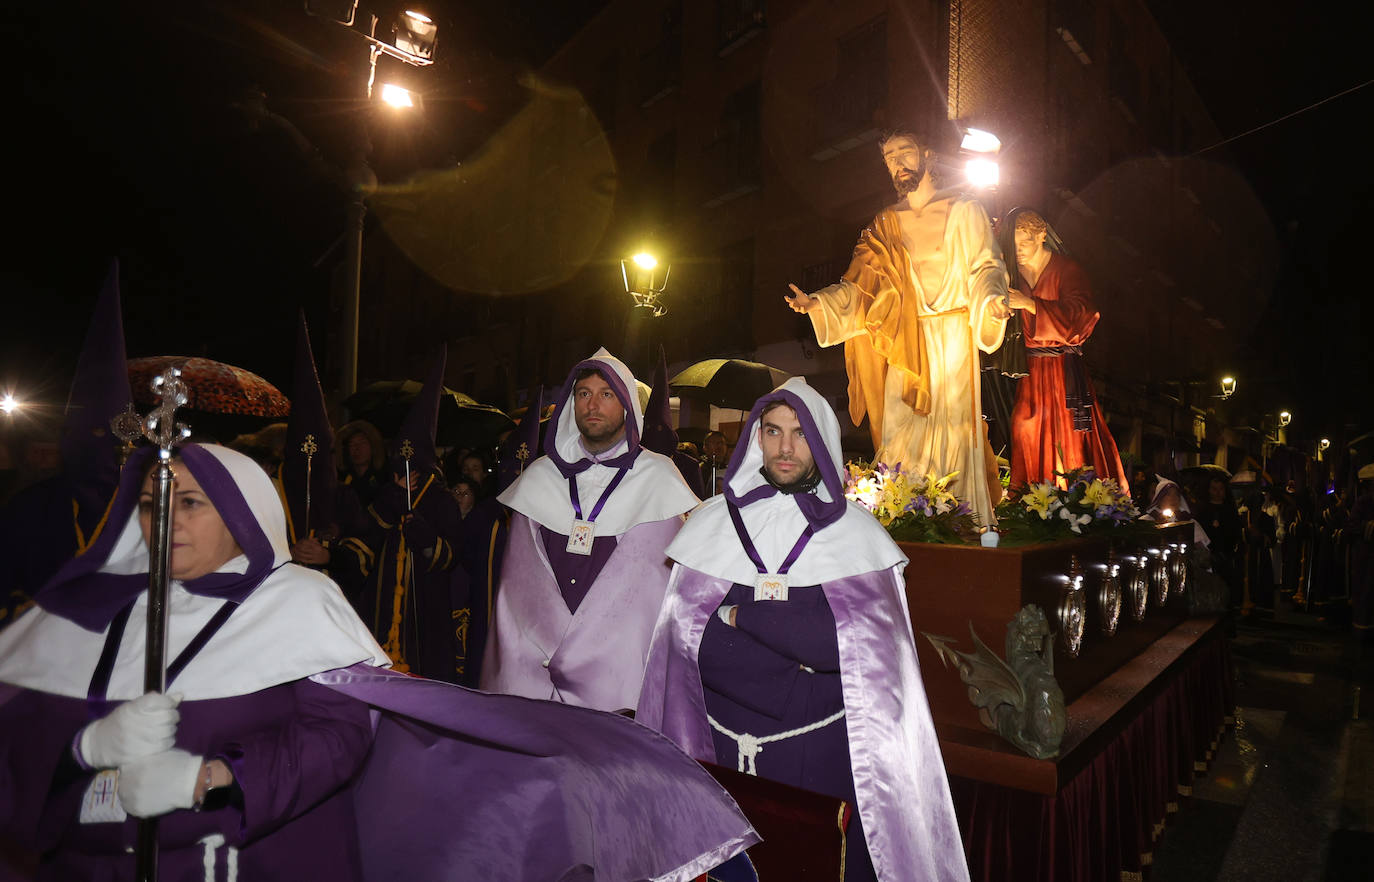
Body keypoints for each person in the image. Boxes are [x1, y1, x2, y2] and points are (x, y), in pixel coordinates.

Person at [0, 443, 759, 880]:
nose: (166, 518)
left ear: (241, 514)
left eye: (192, 501)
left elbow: (339, 735)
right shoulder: (84, 617)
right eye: (153, 501)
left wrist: (213, 778)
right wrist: (82, 752)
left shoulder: (297, 602)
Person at [637, 377, 969, 882]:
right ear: (756, 438)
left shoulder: (857, 535)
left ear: (821, 442)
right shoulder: (712, 525)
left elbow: (844, 649)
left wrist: (741, 615)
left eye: (799, 433)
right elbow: (692, 645)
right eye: (773, 431)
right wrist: (797, 662)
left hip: (818, 761)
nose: (785, 447)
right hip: (721, 757)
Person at [786, 129, 1011, 526]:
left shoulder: (965, 208)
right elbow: (861, 288)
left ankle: (957, 518)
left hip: (953, 334)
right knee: (899, 433)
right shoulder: (886, 223)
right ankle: (902, 515)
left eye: (904, 152)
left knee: (954, 430)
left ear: (927, 154)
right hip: (903, 342)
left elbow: (985, 266)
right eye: (889, 158)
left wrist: (992, 300)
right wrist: (818, 303)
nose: (897, 163)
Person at [481, 348, 699, 711]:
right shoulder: (540, 477)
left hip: (618, 676)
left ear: (627, 405)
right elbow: (517, 592)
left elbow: (659, 598)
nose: (592, 404)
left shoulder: (658, 479)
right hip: (539, 672)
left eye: (606, 394)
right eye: (584, 394)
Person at [1001, 209, 1127, 491]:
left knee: (1067, 437)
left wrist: (1030, 304)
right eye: (1014, 244)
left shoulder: (1067, 270)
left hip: (1062, 371)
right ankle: (1028, 497)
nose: (1018, 251)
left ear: (1042, 236)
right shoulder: (1009, 274)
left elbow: (1083, 315)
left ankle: (1067, 501)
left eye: (1025, 243)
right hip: (1028, 371)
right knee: (1024, 428)